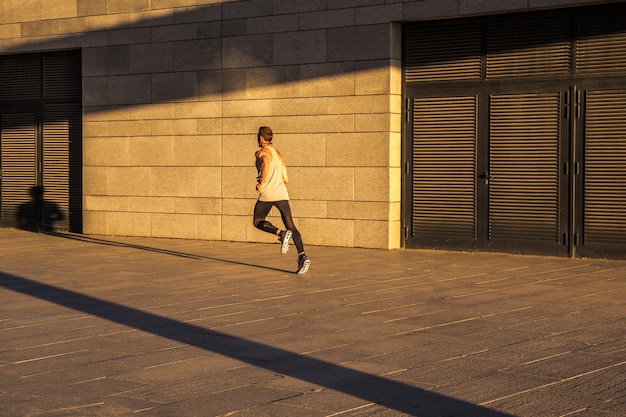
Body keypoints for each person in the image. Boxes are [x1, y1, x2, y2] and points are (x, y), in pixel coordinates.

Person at [253, 126, 311, 274]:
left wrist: (262, 182)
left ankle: (280, 233)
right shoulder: (278, 154)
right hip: (281, 193)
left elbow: (265, 162)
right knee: (292, 225)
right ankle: (302, 256)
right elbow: (285, 174)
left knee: (258, 221)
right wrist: (282, 179)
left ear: (261, 139)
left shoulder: (261, 152)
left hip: (268, 193)